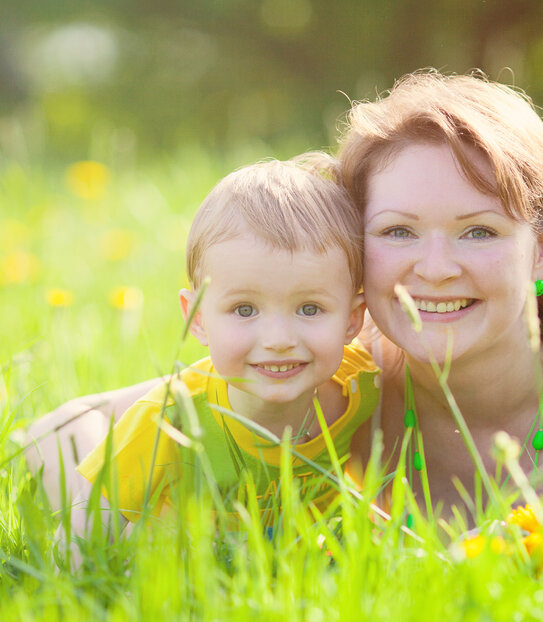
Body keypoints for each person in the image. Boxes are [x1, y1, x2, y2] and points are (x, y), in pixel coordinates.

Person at [26, 71, 543, 535]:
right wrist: (103, 537)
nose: (436, 270)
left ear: (540, 246)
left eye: (477, 231)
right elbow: (59, 432)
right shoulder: (336, 376)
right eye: (397, 232)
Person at [60, 154, 377, 540]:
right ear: (197, 318)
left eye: (309, 309)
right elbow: (75, 550)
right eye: (245, 309)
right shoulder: (167, 425)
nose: (278, 340)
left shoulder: (367, 390)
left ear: (352, 319)